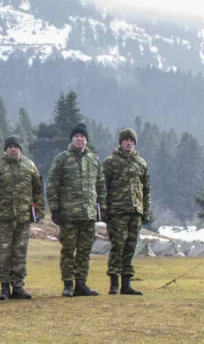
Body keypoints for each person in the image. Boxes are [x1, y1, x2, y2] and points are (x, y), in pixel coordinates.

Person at [47, 123, 107, 297]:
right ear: (72, 139)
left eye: (82, 137)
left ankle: (81, 283)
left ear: (86, 140)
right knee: (68, 250)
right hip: (69, 215)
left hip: (88, 214)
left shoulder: (94, 160)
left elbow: (101, 185)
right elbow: (52, 185)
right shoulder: (62, 159)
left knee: (84, 251)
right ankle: (67, 284)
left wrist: (101, 208)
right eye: (76, 137)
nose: (79, 139)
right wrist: (55, 209)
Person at [0, 136, 44, 300]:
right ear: (5, 149)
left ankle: (18, 286)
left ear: (20, 149)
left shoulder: (29, 166)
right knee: (3, 253)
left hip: (23, 218)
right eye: (10, 147)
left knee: (20, 253)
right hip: (3, 218)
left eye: (16, 146)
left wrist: (39, 211)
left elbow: (38, 190)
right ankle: (4, 287)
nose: (13, 149)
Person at [103, 128, 151, 296]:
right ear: (120, 142)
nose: (129, 143)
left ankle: (126, 283)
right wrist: (104, 210)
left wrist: (145, 210)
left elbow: (146, 189)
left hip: (135, 212)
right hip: (117, 212)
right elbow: (103, 188)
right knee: (118, 246)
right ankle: (114, 283)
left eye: (131, 141)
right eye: (126, 140)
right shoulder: (111, 162)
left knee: (131, 247)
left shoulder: (141, 163)